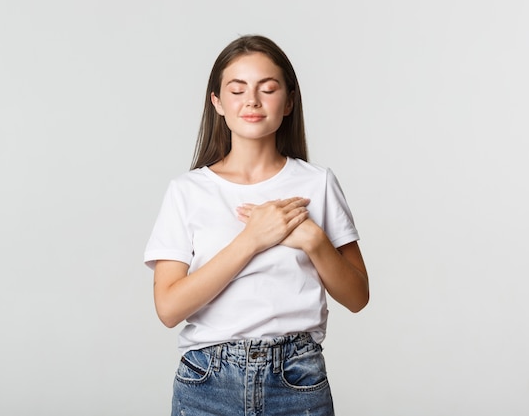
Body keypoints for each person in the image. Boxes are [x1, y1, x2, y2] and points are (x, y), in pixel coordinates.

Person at [144, 34, 369, 416]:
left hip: (297, 379)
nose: (252, 101)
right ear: (217, 102)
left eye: (268, 89)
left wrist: (313, 240)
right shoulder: (187, 191)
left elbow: (357, 296)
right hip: (207, 382)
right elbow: (168, 308)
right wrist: (252, 240)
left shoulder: (317, 183)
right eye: (237, 90)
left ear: (289, 102)